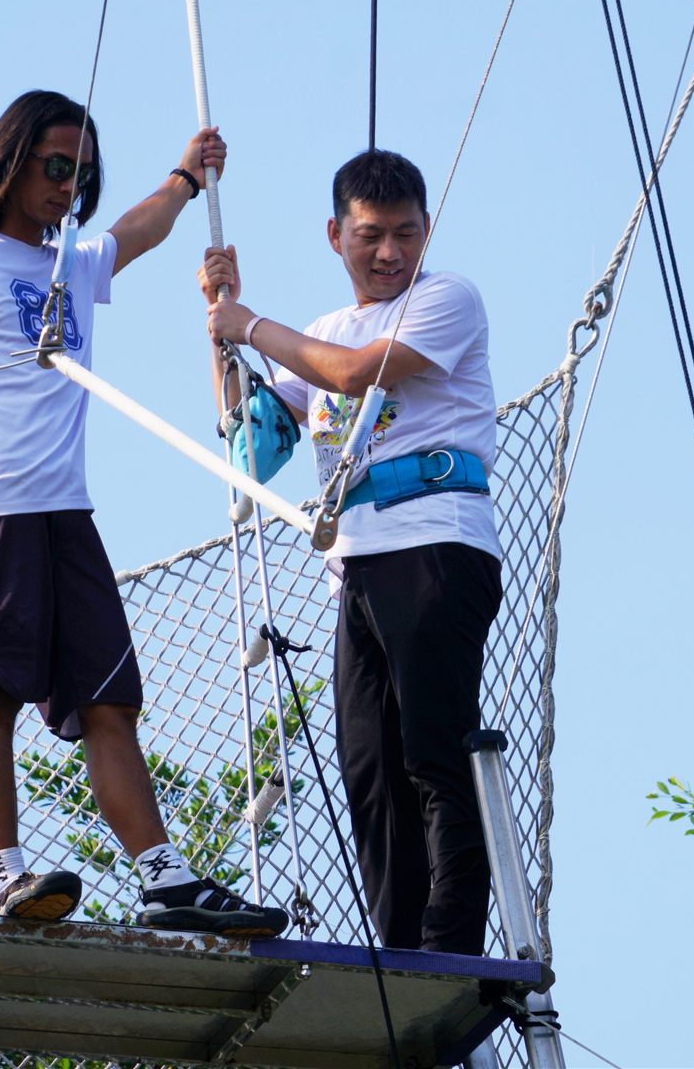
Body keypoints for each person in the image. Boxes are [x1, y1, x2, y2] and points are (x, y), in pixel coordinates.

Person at [0, 89, 287, 936]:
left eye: (82, 174)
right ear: (12, 159)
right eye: (55, 168)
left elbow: (139, 232)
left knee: (111, 704)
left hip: (67, 517)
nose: (68, 188)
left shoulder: (69, 262)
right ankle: (3, 872)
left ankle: (163, 877)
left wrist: (187, 174)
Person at [196, 149, 502, 956]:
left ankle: (447, 947)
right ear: (335, 235)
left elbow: (362, 374)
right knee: (371, 774)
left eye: (406, 233)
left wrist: (253, 325)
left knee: (434, 753)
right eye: (370, 235)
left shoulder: (447, 300)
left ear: (427, 231)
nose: (390, 252)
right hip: (359, 565)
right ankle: (400, 949)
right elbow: (254, 448)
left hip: (435, 544)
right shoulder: (324, 331)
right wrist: (224, 338)